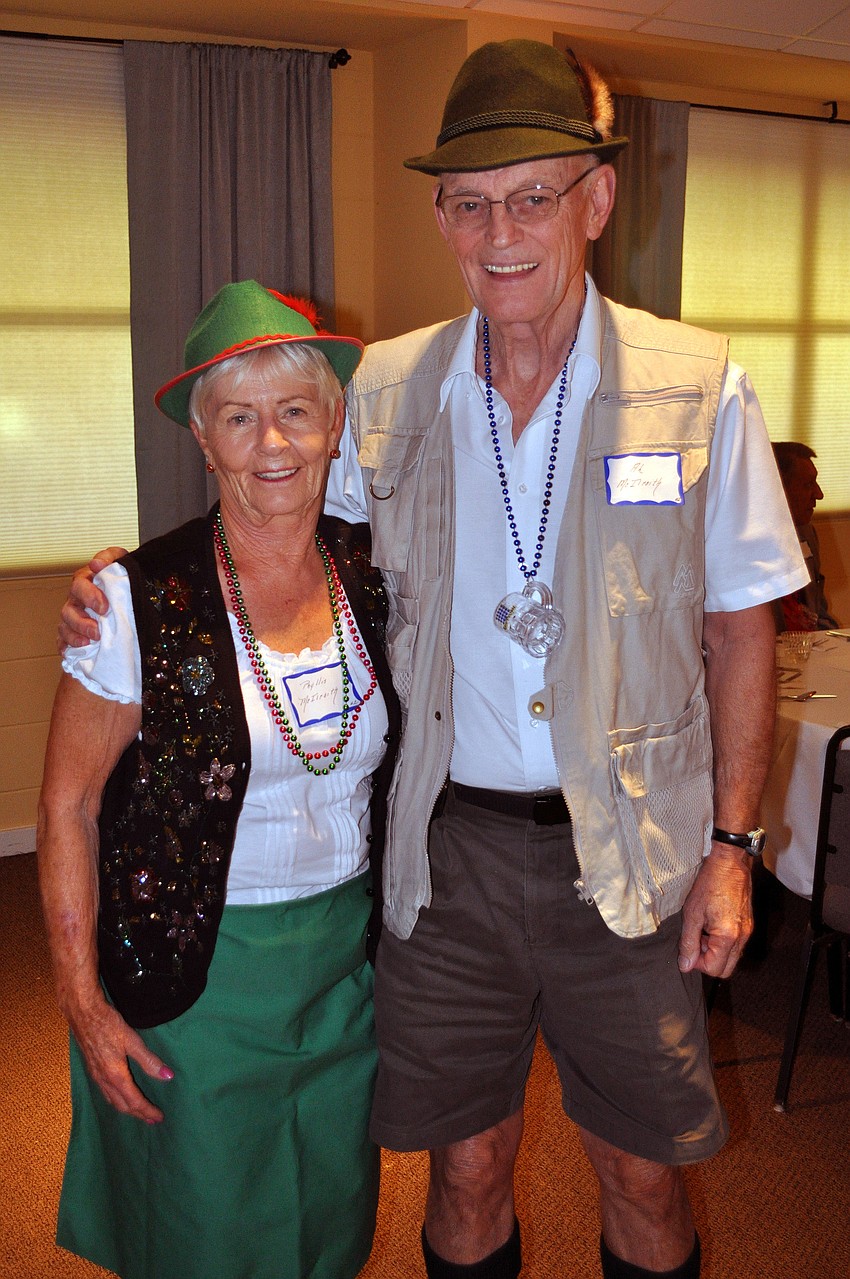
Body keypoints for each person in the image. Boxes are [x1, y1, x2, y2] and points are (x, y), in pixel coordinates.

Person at [60, 41, 809, 1279]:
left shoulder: (698, 387)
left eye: (532, 196)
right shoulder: (390, 391)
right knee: (464, 1161)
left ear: (597, 200)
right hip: (444, 853)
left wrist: (733, 850)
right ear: (440, 217)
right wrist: (136, 584)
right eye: (470, 202)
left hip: (626, 846)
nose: (500, 231)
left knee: (640, 1169)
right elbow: (273, 506)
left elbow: (741, 627)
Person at [39, 280, 399, 1279]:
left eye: (295, 411)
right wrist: (81, 1000)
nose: (271, 444)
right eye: (238, 419)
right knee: (204, 1227)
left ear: (333, 423)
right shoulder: (132, 598)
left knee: (327, 1215)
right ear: (204, 441)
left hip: (343, 969)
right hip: (193, 972)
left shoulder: (379, 575)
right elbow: (66, 805)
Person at [771, 441, 840, 631]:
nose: (819, 494)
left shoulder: (807, 534)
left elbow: (819, 611)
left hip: (811, 649)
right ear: (778, 488)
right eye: (808, 484)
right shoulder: (743, 545)